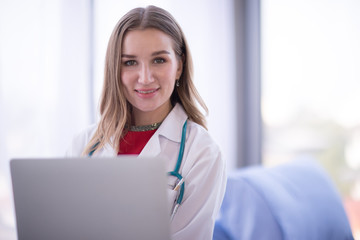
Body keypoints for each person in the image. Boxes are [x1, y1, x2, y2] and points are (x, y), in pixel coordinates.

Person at [66, 5, 226, 240]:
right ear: (115, 69)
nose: (145, 77)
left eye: (159, 60)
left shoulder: (202, 152)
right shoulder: (85, 144)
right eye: (130, 62)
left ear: (179, 66)